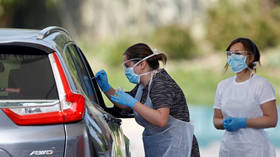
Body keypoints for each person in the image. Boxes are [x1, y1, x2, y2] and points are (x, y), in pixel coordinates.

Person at [95, 43, 200, 157]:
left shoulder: (160, 83)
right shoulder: (143, 85)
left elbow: (161, 119)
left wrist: (133, 102)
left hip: (179, 148)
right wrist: (106, 88)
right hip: (163, 147)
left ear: (142, 64)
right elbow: (124, 103)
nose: (125, 70)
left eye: (127, 65)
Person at [213, 37, 278, 157]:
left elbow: (272, 120)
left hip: (255, 149)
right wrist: (224, 123)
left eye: (237, 53)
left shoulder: (261, 85)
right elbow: (216, 120)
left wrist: (243, 122)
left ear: (251, 57)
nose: (232, 57)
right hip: (229, 149)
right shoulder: (222, 86)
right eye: (229, 54)